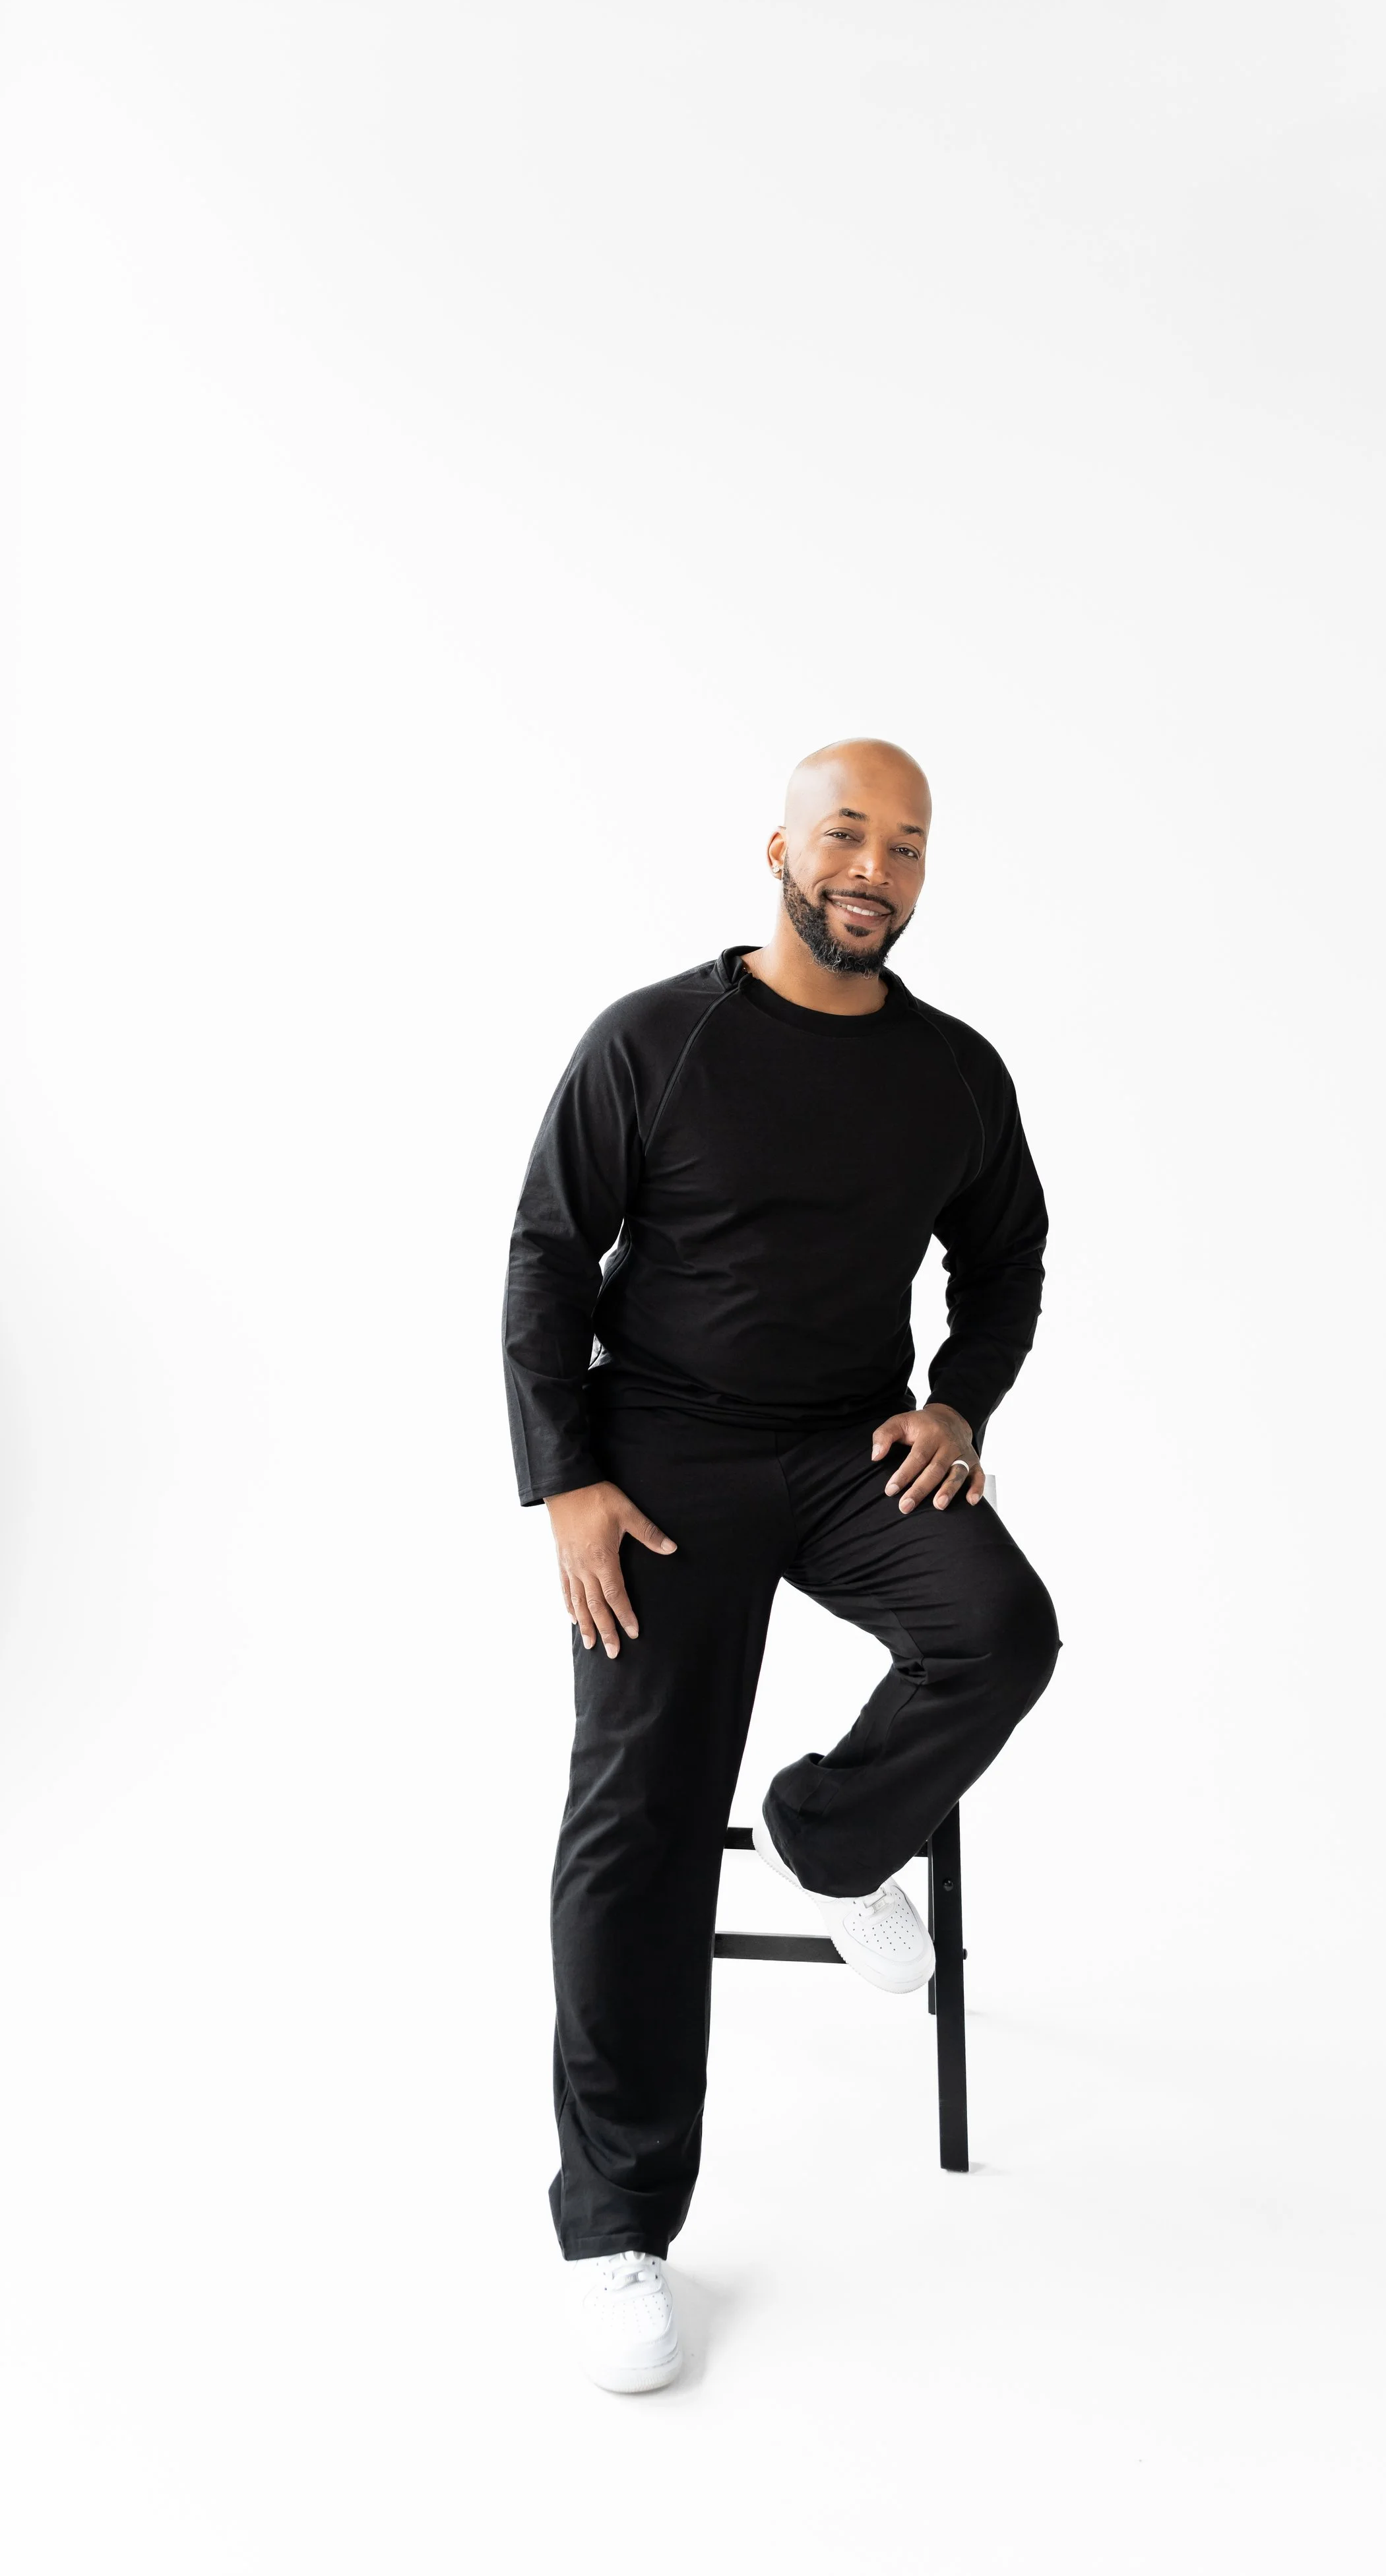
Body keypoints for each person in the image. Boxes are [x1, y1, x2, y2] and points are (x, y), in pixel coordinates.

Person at [501, 738, 1061, 2392]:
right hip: (660, 1456)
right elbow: (546, 1250)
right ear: (777, 849)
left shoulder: (953, 1071)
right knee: (641, 1814)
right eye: (842, 834)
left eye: (902, 844)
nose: (869, 868)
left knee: (998, 1629)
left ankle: (829, 1838)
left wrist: (955, 1400)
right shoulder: (657, 1039)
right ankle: (615, 2225)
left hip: (843, 1444)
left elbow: (1008, 1257)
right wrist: (568, 1485)